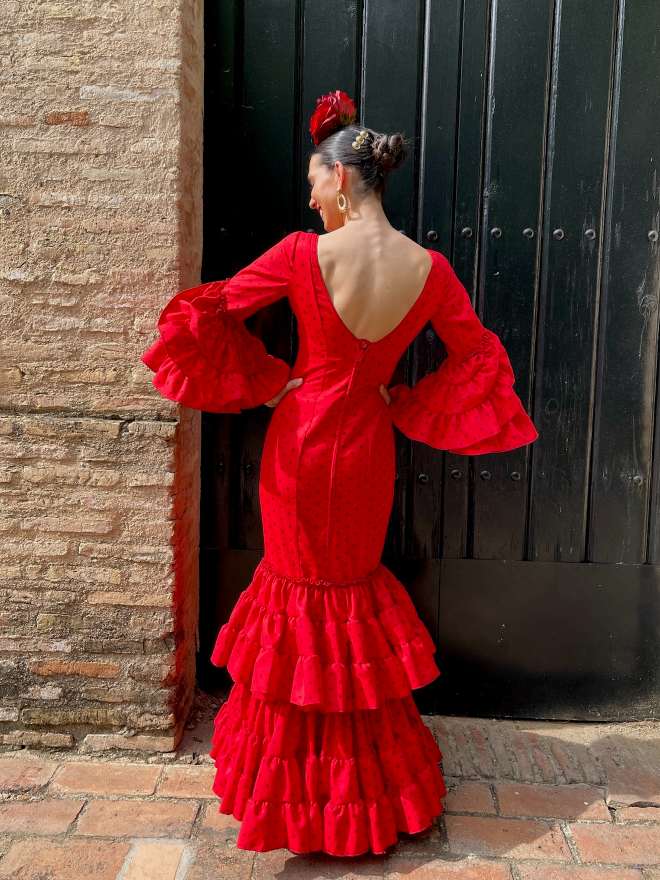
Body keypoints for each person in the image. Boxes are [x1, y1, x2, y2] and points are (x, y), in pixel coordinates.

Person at [141, 89, 539, 857]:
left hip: (298, 445)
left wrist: (266, 382)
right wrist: (407, 401)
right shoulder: (429, 268)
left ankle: (293, 800)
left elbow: (208, 313)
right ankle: (365, 797)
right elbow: (482, 359)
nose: (309, 191)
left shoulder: (299, 255)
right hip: (366, 450)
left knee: (296, 604)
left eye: (315, 178)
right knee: (348, 600)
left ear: (343, 178)